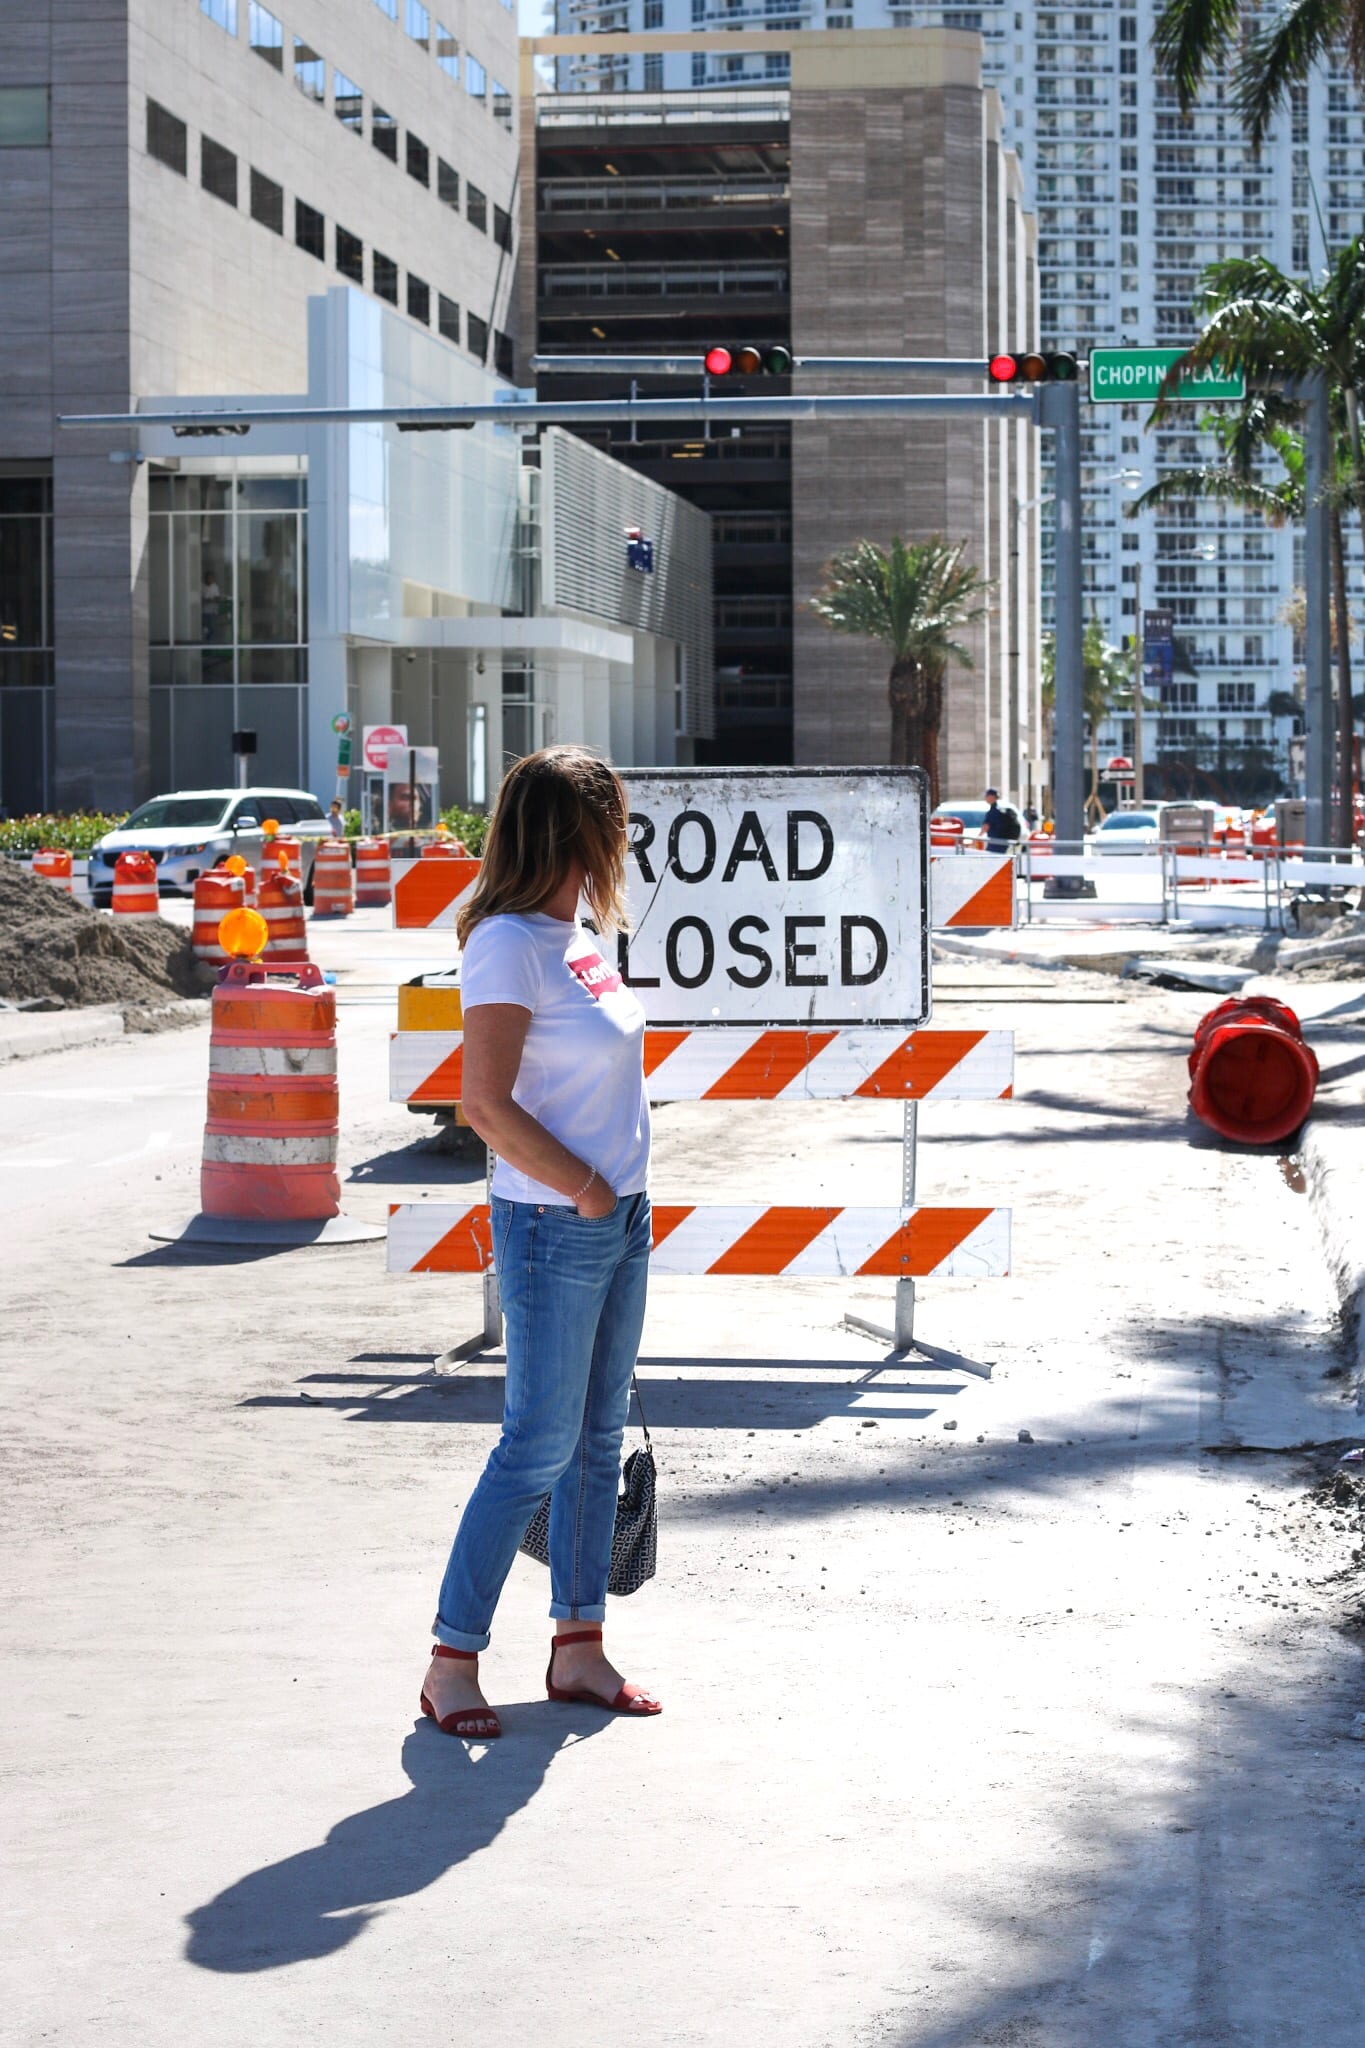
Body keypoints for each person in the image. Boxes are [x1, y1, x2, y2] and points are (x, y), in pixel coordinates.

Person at [420, 745, 661, 1739]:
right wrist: (587, 1184)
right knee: (535, 1446)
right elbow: (483, 1102)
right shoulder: (508, 942)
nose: (623, 843)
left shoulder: (579, 935)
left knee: (596, 1442)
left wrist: (621, 1188)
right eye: (616, 826)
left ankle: (578, 1644)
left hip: (618, 1216)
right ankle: (451, 1660)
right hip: (556, 1223)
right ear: (581, 831)